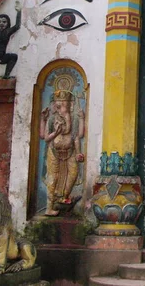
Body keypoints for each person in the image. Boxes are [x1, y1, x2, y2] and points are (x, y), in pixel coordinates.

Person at [39, 88, 85, 216]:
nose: (61, 107)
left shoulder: (74, 119)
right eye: (59, 104)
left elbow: (78, 136)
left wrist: (78, 153)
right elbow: (44, 136)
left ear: (70, 105)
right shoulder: (52, 119)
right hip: (54, 151)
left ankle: (64, 197)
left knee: (74, 173)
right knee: (53, 178)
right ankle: (49, 207)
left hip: (70, 151)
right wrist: (46, 122)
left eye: (65, 104)